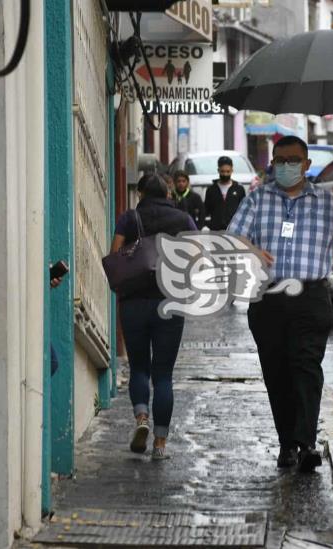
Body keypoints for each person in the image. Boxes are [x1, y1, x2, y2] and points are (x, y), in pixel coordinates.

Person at [227, 136, 333, 472]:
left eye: (293, 160)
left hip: (311, 297)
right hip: (268, 298)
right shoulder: (258, 198)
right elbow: (233, 237)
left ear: (307, 164)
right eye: (281, 160)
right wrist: (253, 251)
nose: (286, 166)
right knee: (277, 373)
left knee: (306, 366)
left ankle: (305, 443)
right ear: (273, 163)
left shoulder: (327, 201)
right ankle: (287, 443)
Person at [111, 174, 197, 460]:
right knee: (163, 375)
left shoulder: (129, 218)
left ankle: (141, 418)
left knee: (139, 368)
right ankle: (160, 445)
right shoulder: (183, 220)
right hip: (170, 302)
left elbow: (115, 256)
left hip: (134, 302)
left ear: (142, 193)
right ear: (169, 192)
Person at [204, 156, 246, 231]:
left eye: (228, 171)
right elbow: (206, 210)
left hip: (234, 229)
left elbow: (243, 210)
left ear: (232, 170)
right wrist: (205, 226)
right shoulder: (211, 190)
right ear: (218, 170)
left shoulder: (239, 189)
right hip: (215, 230)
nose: (225, 174)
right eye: (222, 171)